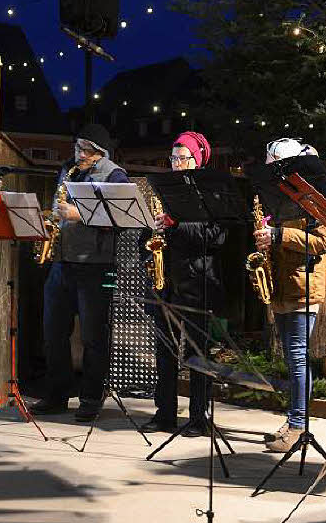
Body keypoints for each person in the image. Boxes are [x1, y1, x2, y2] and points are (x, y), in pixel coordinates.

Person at [30, 123, 131, 422]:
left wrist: (81, 214)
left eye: (85, 150)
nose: (79, 155)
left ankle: (90, 398)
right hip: (62, 262)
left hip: (95, 266)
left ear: (100, 153)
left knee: (93, 336)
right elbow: (58, 209)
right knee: (53, 333)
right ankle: (57, 394)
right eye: (77, 148)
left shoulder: (115, 175)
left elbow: (122, 218)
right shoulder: (67, 170)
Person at [255, 139, 326, 452]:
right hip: (282, 285)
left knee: (298, 357)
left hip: (304, 287)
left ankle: (299, 424)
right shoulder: (279, 201)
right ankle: (293, 421)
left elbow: (323, 242)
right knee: (292, 358)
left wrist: (278, 235)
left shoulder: (314, 199)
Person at [143, 131, 226, 436]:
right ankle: (164, 413)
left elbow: (214, 238)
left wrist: (175, 225)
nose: (176, 164)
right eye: (173, 158)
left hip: (198, 279)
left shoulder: (209, 192)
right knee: (164, 350)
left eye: (182, 158)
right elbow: (150, 236)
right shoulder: (164, 190)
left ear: (198, 159)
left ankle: (198, 417)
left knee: (197, 352)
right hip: (166, 280)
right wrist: (151, 234)